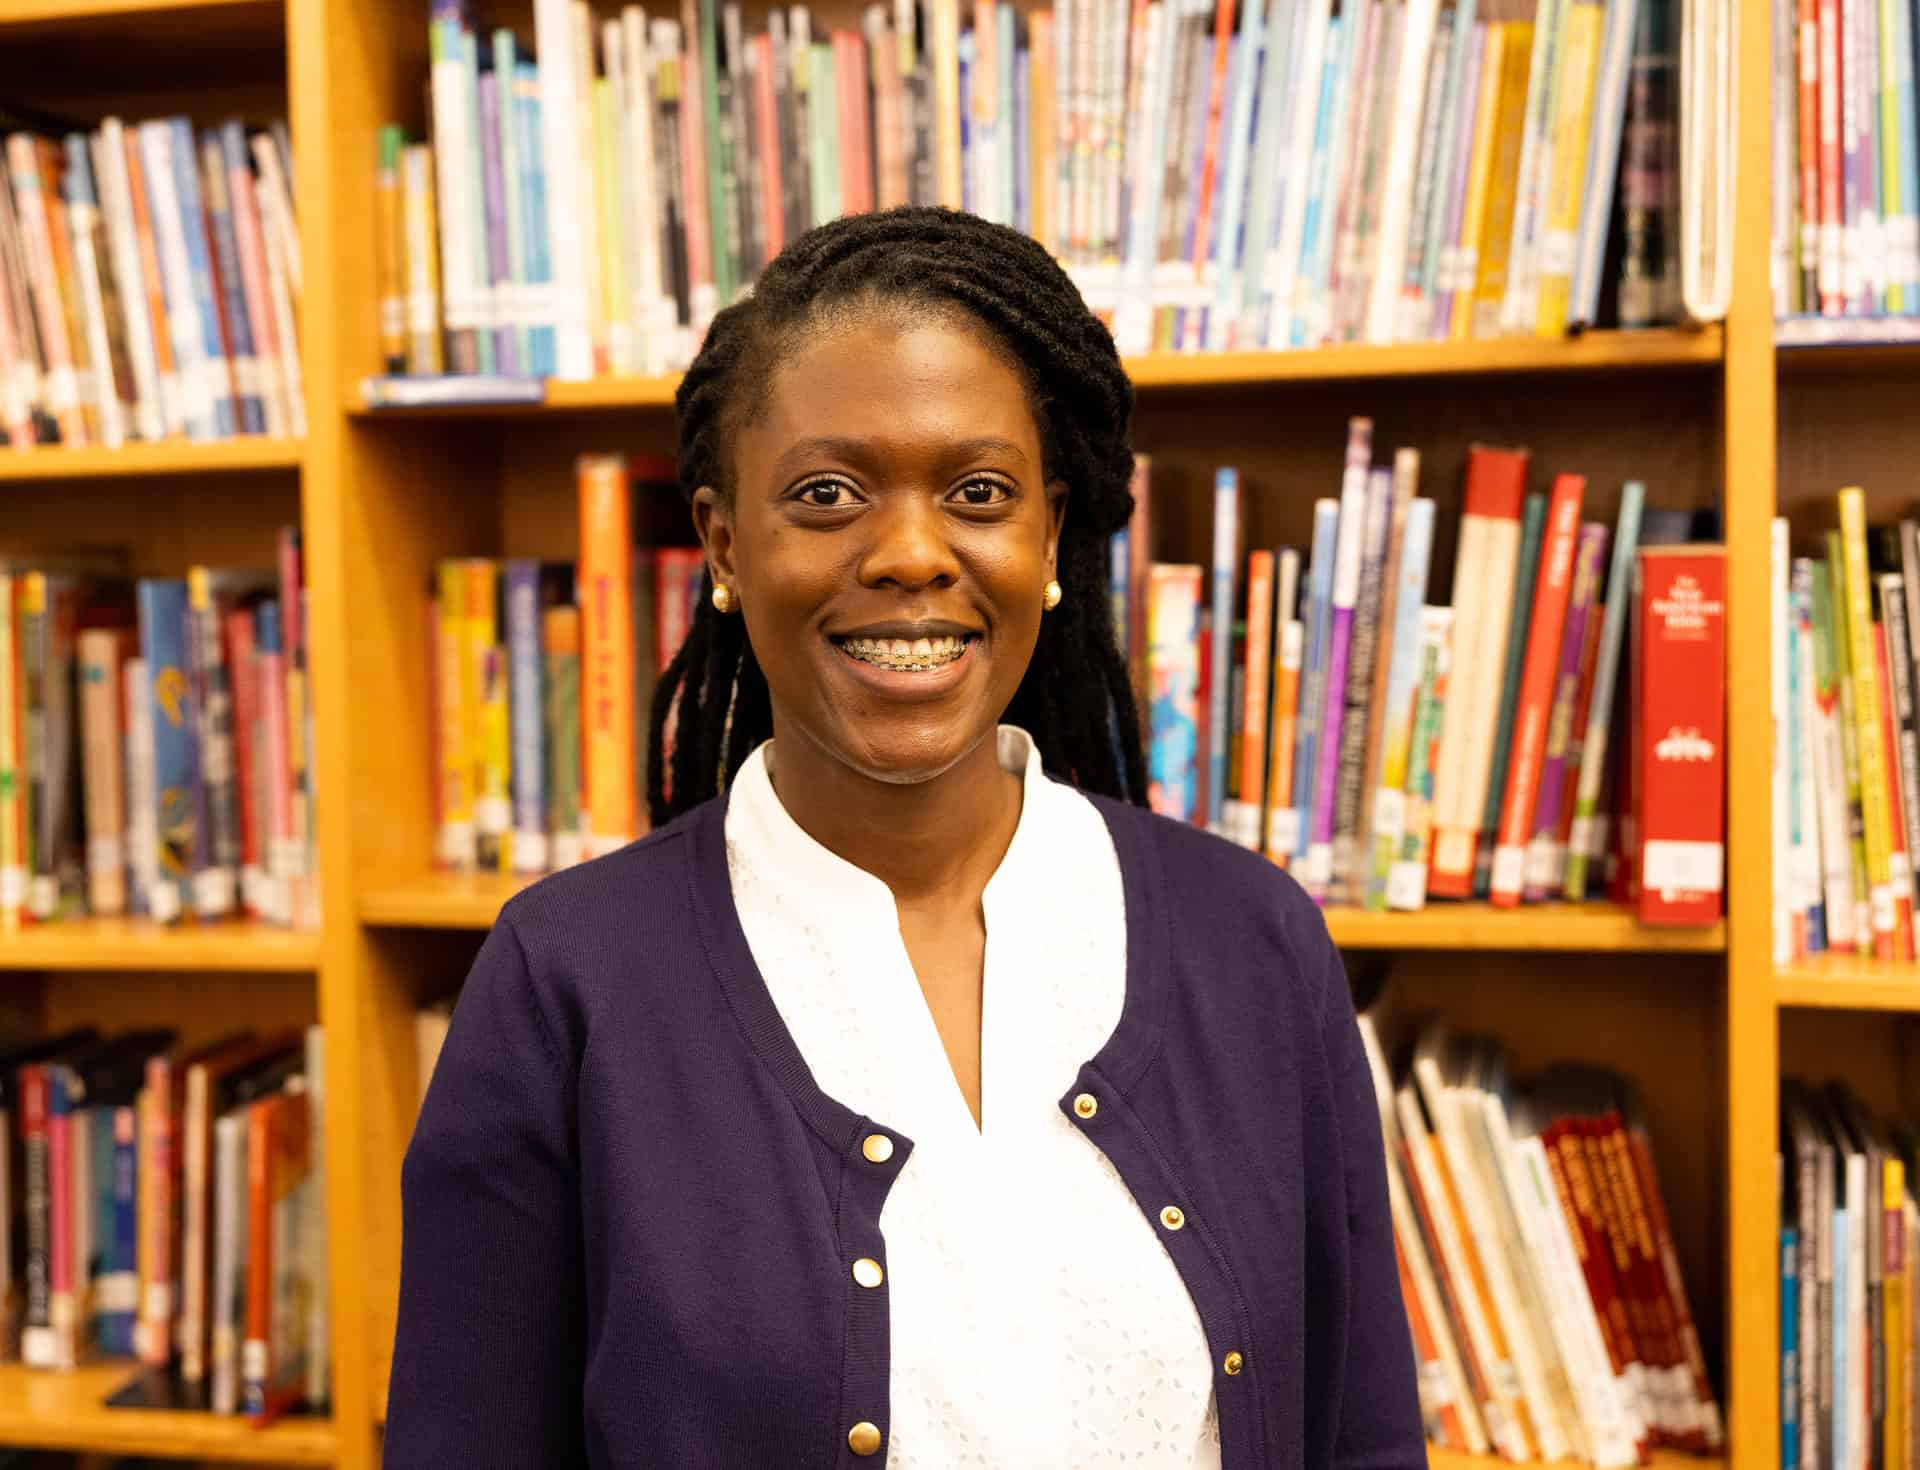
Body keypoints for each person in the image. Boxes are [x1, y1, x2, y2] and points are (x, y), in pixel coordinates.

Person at [383, 207, 1424, 1469]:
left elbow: (1363, 1438)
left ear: (1050, 537)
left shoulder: (1255, 945)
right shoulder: (566, 985)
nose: (912, 554)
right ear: (721, 545)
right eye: (828, 495)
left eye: (979, 493)